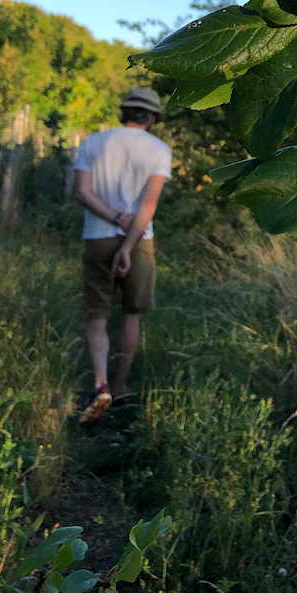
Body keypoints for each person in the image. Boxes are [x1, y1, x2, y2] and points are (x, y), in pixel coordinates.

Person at [72, 87, 172, 426]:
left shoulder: (92, 143)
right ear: (153, 117)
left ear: (124, 112)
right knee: (131, 314)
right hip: (140, 241)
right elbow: (148, 204)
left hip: (98, 237)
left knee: (97, 315)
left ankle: (99, 383)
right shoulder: (159, 150)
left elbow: (81, 193)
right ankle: (121, 387)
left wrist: (114, 218)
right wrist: (128, 246)